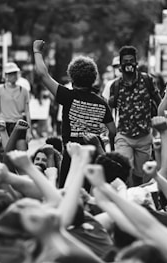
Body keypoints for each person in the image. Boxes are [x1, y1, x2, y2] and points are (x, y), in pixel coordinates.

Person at [33, 40, 116, 187]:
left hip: (71, 159)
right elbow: (112, 130)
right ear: (93, 78)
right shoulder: (102, 103)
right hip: (94, 159)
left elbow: (42, 74)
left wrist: (37, 51)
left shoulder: (67, 97)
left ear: (72, 78)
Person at [108, 46, 162, 186]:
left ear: (136, 63)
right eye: (125, 61)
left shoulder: (147, 80)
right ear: (120, 66)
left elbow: (158, 102)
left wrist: (162, 124)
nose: (129, 64)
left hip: (144, 136)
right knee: (125, 172)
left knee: (139, 176)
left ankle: (136, 200)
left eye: (132, 61)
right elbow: (111, 105)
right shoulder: (116, 85)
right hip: (124, 136)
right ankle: (126, 199)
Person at [0, 62, 32, 149]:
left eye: (15, 73)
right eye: (10, 74)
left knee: (21, 154)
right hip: (4, 125)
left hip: (19, 124)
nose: (13, 76)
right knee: (5, 154)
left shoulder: (24, 90)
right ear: (5, 75)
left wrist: (29, 131)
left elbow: (27, 111)